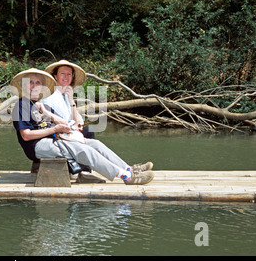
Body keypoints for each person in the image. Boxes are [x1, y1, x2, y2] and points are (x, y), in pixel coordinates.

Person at [10, 68, 154, 185]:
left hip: (54, 140)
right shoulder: (21, 105)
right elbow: (26, 135)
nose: (35, 86)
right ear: (24, 86)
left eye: (37, 83)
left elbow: (63, 122)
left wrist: (47, 113)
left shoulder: (40, 104)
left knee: (94, 143)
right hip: (37, 146)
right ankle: (127, 177)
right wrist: (54, 129)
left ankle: (128, 168)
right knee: (81, 149)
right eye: (31, 83)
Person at [41, 60, 154, 176]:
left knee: (90, 134)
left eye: (69, 74)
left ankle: (128, 169)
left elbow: (79, 121)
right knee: (89, 131)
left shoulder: (65, 96)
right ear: (55, 76)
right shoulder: (50, 96)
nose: (66, 77)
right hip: (58, 136)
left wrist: (71, 101)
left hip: (70, 133)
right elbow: (51, 121)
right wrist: (72, 125)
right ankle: (85, 172)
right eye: (62, 74)